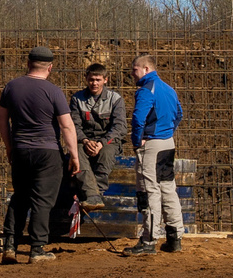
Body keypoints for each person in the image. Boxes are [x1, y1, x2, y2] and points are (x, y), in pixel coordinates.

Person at [0, 46, 79, 264]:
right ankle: (37, 249)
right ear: (50, 67)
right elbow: (67, 126)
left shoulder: (11, 87)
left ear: (28, 63)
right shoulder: (53, 92)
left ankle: (10, 246)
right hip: (48, 152)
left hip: (21, 150)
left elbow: (2, 120)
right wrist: (74, 155)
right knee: (42, 201)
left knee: (20, 196)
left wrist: (9, 146)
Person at [125, 53, 184, 255]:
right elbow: (179, 114)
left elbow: (138, 119)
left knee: (149, 191)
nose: (132, 74)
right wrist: (167, 132)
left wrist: (137, 141)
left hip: (152, 144)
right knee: (168, 188)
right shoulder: (169, 89)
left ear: (146, 69)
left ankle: (148, 241)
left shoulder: (146, 90)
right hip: (168, 143)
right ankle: (175, 237)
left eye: (135, 70)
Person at [68, 62, 123, 224]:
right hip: (85, 140)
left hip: (108, 141)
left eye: (98, 79)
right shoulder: (77, 99)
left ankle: (95, 192)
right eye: (91, 79)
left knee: (106, 153)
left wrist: (101, 143)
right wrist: (85, 141)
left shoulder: (115, 99)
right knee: (75, 151)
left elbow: (120, 127)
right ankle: (93, 195)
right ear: (86, 79)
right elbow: (73, 126)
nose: (94, 83)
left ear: (106, 80)